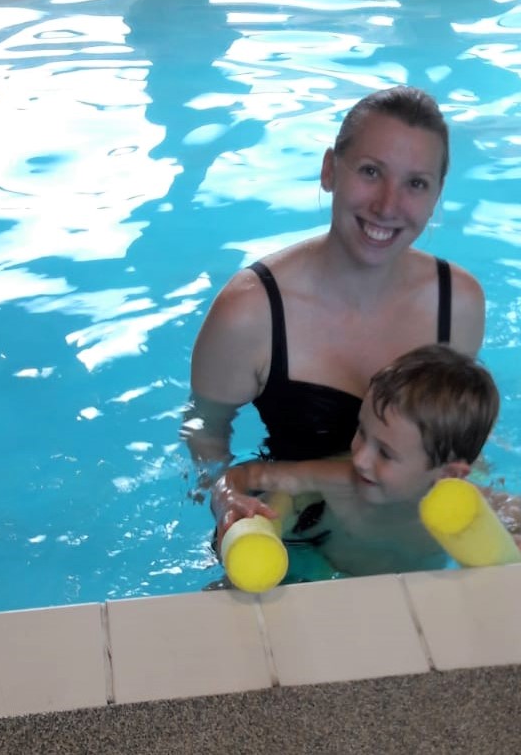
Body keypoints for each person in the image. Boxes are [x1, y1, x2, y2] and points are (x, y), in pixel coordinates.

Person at [183, 86, 485, 526]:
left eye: (415, 184)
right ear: (330, 171)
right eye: (370, 171)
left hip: (411, 526)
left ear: (436, 195)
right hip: (295, 521)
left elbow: (451, 438)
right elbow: (204, 431)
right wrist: (222, 495)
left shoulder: (457, 303)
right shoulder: (250, 312)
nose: (387, 206)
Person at [213, 344, 503, 577]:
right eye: (361, 432)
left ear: (448, 475)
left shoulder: (469, 512)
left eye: (386, 453)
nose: (361, 458)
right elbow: (248, 475)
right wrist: (227, 497)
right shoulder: (338, 479)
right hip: (319, 569)